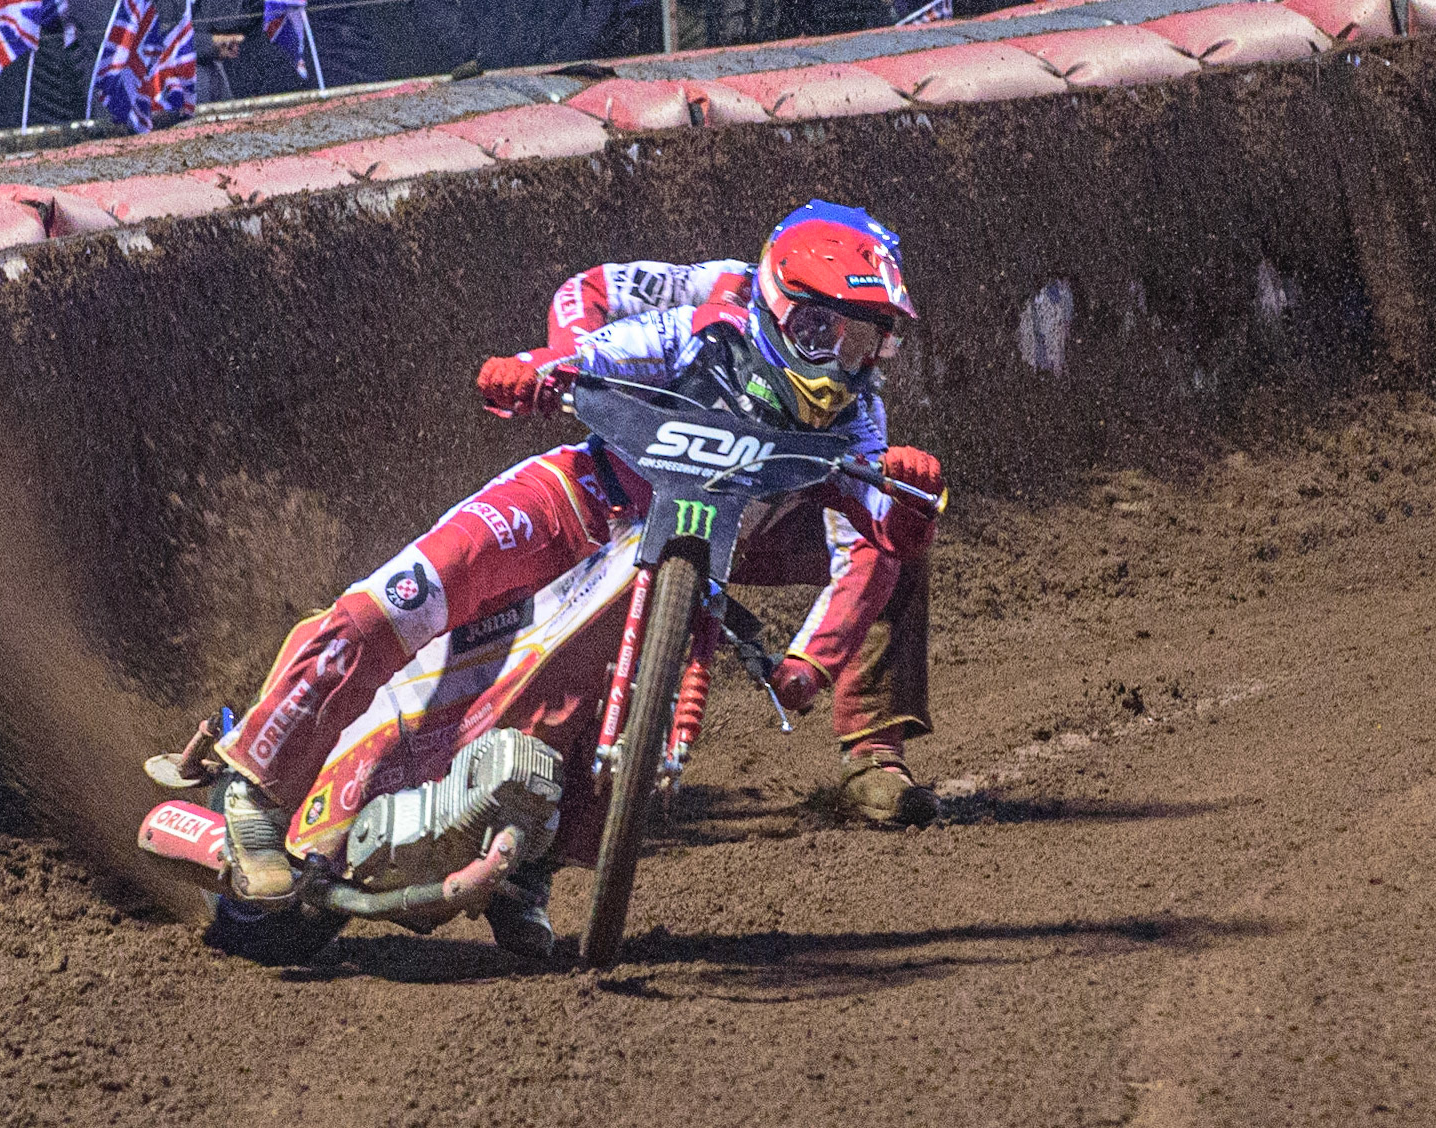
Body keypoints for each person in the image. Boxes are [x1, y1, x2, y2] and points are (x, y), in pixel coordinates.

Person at [212, 201, 946, 957]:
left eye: (869, 341)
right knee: (403, 598)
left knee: (592, 705)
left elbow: (875, 536)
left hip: (697, 539)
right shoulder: (705, 321)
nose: (848, 361)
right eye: (834, 332)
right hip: (584, 496)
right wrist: (537, 370)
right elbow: (600, 348)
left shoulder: (860, 415)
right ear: (787, 311)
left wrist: (906, 518)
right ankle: (253, 797)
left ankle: (532, 870)